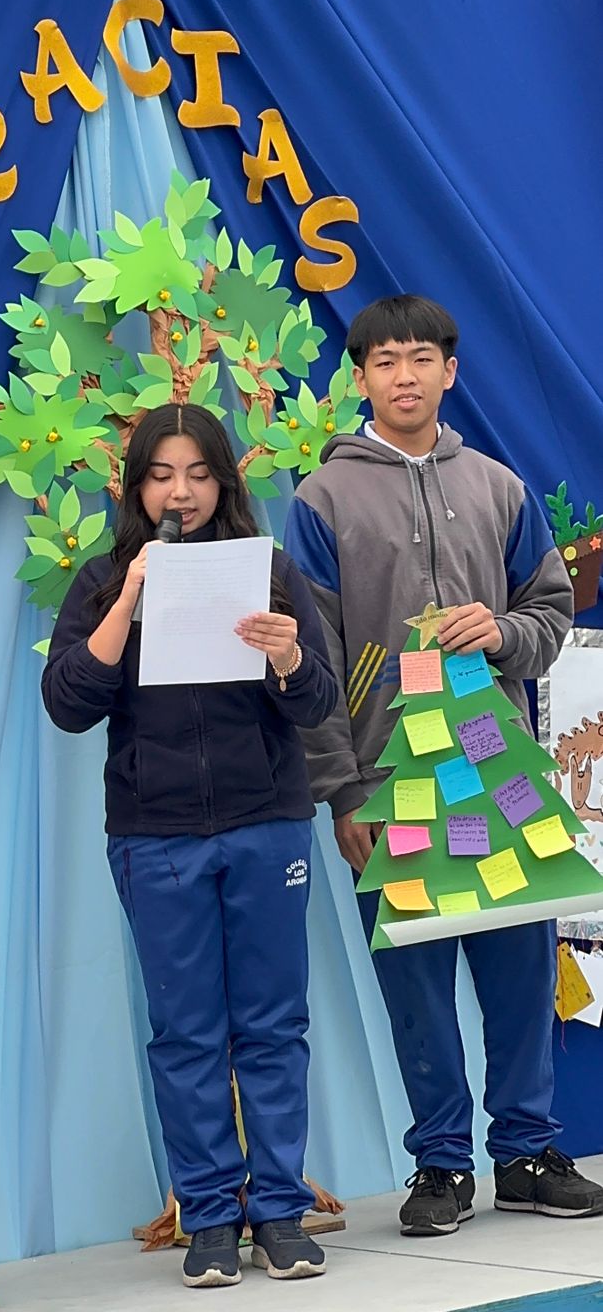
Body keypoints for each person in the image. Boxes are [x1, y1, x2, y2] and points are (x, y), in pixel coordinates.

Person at [284, 295, 603, 1236]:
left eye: (421, 358)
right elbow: (311, 660)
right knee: (416, 988)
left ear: (449, 372)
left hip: (499, 779)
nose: (405, 376)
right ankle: (440, 1166)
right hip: (392, 786)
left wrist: (500, 632)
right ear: (360, 378)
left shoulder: (500, 489)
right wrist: (343, 791)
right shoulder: (321, 500)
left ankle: (529, 1154)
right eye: (385, 361)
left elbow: (550, 616)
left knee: (518, 973)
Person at [42, 403, 338, 1288]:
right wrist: (129, 600)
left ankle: (277, 1210)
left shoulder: (267, 570)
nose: (182, 492)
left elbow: (319, 701)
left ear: (225, 481)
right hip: (155, 835)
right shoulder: (103, 580)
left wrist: (287, 655)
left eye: (200, 474)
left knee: (274, 1025)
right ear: (137, 487)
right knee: (186, 1032)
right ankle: (209, 1217)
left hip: (267, 823)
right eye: (164, 475)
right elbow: (68, 704)